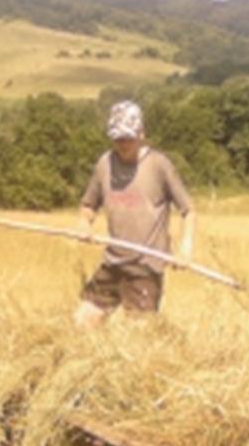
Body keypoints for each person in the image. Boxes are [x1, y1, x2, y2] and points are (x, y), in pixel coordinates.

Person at [73, 99, 196, 327]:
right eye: (118, 138)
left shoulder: (159, 166)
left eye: (128, 138)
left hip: (145, 269)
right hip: (113, 263)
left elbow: (187, 210)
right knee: (82, 323)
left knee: (138, 338)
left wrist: (185, 248)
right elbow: (88, 205)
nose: (123, 144)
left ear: (141, 133)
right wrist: (84, 224)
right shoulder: (104, 164)